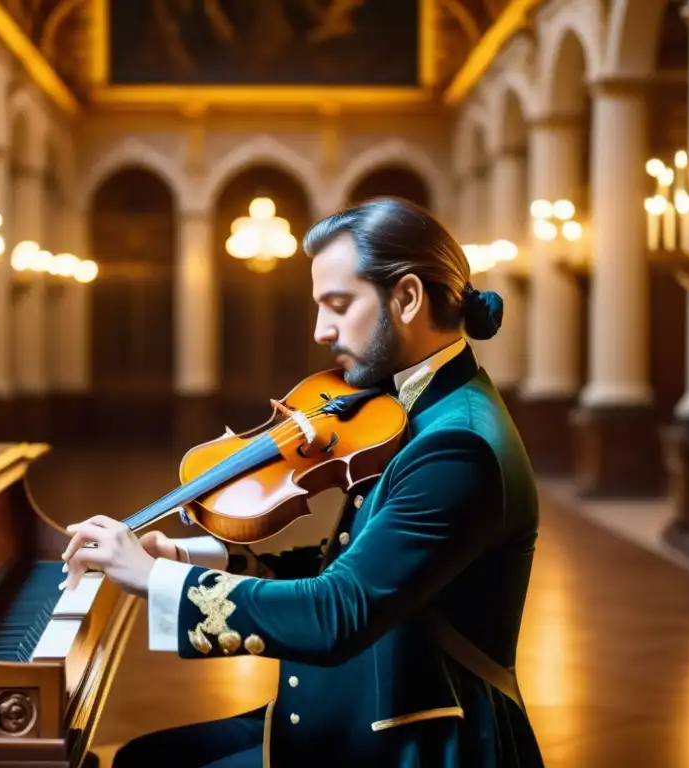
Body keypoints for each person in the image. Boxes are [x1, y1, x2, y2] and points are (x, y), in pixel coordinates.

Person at [61, 197, 545, 768]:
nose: (321, 330)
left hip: (420, 739)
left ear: (408, 298)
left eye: (338, 305)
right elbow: (345, 561)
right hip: (352, 707)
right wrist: (190, 557)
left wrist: (155, 579)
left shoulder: (456, 445)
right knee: (146, 757)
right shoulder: (406, 405)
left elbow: (339, 611)